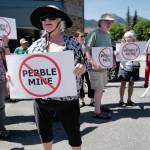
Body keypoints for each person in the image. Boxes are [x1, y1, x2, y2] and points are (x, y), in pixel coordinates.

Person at [26, 5, 86, 150]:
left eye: (52, 17)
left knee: (73, 134)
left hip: (67, 99)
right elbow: (25, 69)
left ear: (60, 20)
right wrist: (13, 76)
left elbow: (83, 64)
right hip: (42, 99)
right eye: (43, 18)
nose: (47, 20)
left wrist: (82, 68)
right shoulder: (34, 46)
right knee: (44, 132)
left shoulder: (72, 43)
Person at [85, 14, 115, 119]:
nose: (109, 23)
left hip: (104, 66)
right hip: (95, 66)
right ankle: (97, 112)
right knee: (98, 89)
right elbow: (87, 51)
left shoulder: (108, 34)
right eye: (107, 21)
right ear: (100, 22)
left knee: (101, 88)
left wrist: (113, 61)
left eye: (111, 22)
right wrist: (92, 62)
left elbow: (108, 50)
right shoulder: (94, 33)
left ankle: (98, 106)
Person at [117, 30, 139, 106]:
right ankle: (121, 100)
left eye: (130, 37)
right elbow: (116, 53)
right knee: (123, 84)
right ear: (125, 38)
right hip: (123, 67)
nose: (128, 39)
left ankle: (129, 100)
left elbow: (142, 54)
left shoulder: (137, 45)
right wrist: (116, 52)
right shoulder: (121, 45)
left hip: (134, 67)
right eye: (127, 37)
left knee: (131, 84)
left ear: (133, 38)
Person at [74, 30, 94, 107]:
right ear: (76, 38)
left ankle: (92, 100)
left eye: (84, 36)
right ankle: (82, 101)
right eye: (81, 36)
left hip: (88, 67)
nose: (83, 38)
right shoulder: (74, 46)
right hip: (79, 68)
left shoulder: (87, 45)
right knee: (80, 84)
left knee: (90, 83)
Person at [0, 35, 10, 139]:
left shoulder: (1, 43)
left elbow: (8, 57)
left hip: (0, 78)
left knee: (0, 105)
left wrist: (6, 44)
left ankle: (1, 128)